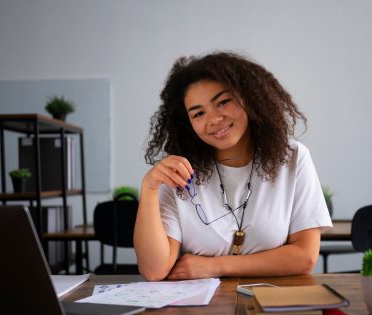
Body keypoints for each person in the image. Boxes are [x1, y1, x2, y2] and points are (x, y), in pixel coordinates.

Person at [134, 51, 332, 281]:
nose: (214, 119)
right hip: (199, 312)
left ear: (249, 97)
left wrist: (215, 267)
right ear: (187, 123)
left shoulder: (293, 157)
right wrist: (149, 188)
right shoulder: (179, 172)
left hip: (273, 302)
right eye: (198, 113)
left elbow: (304, 257)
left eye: (223, 102)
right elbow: (154, 270)